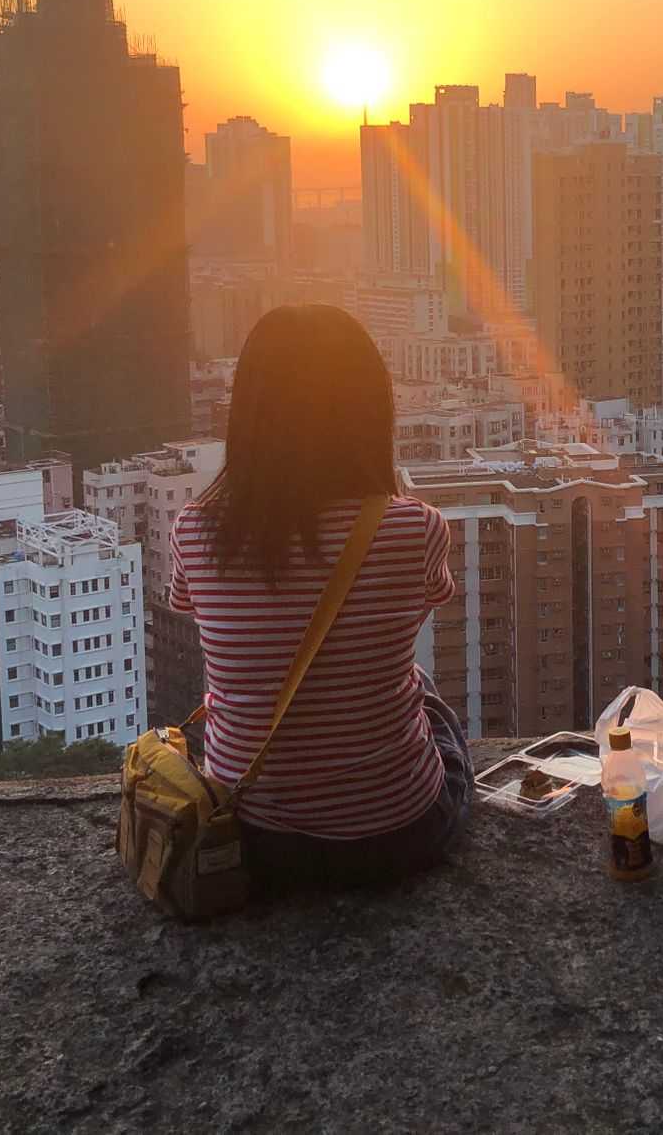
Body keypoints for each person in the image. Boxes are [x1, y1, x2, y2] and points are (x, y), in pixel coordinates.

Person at [166, 303, 470, 893]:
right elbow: (432, 594)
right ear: (368, 412)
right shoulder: (415, 527)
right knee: (430, 702)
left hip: (251, 840)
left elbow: (191, 605)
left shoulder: (195, 531)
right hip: (398, 833)